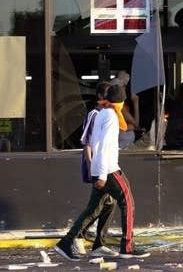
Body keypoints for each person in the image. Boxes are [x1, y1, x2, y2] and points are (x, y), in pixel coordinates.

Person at [54, 84, 150, 261]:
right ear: (121, 101)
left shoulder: (103, 114)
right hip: (109, 169)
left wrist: (97, 172)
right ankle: (127, 247)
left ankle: (65, 242)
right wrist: (104, 175)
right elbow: (104, 146)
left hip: (99, 167)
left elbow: (96, 143)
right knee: (127, 202)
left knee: (92, 209)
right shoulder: (112, 117)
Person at [73, 81, 117, 258]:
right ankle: (76, 237)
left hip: (107, 166)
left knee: (109, 202)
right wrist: (94, 167)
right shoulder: (94, 114)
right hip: (98, 167)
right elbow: (87, 143)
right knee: (97, 205)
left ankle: (99, 242)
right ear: (100, 97)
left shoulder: (110, 113)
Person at [112, 70, 140, 149]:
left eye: (124, 87)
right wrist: (136, 102)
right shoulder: (119, 107)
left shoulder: (117, 106)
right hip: (122, 149)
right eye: (122, 87)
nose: (124, 90)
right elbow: (136, 124)